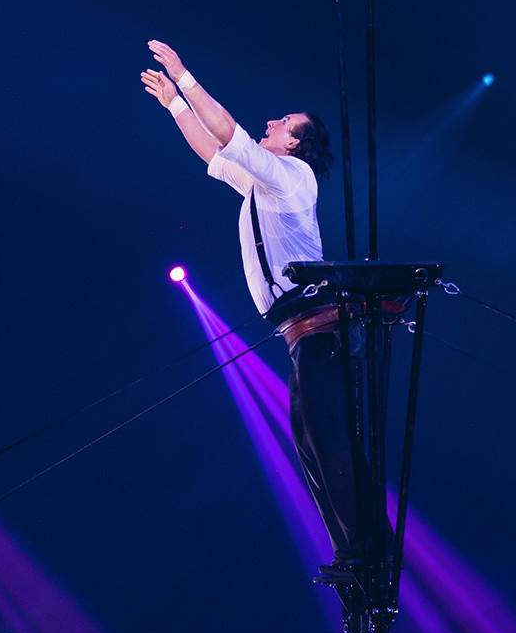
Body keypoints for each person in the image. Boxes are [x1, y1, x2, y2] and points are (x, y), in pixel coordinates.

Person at [142, 40, 371, 569]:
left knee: (326, 441)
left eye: (283, 120)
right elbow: (215, 153)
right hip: (301, 334)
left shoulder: (293, 178)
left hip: (320, 331)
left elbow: (229, 133)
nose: (271, 120)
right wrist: (175, 105)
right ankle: (351, 550)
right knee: (312, 446)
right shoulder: (266, 185)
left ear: (294, 144)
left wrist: (185, 76)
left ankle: (362, 551)